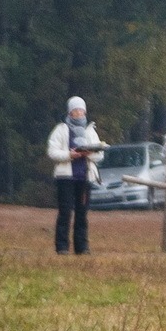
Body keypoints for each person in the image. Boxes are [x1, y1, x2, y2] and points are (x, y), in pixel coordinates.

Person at [47, 96, 104, 255]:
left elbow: (99, 155)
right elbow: (52, 152)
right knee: (65, 212)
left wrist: (88, 154)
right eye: (75, 110)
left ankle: (82, 248)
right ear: (70, 112)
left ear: (85, 112)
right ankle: (62, 247)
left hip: (85, 177)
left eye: (81, 110)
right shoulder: (61, 129)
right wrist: (70, 155)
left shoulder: (90, 131)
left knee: (82, 213)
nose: (78, 113)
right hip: (65, 178)